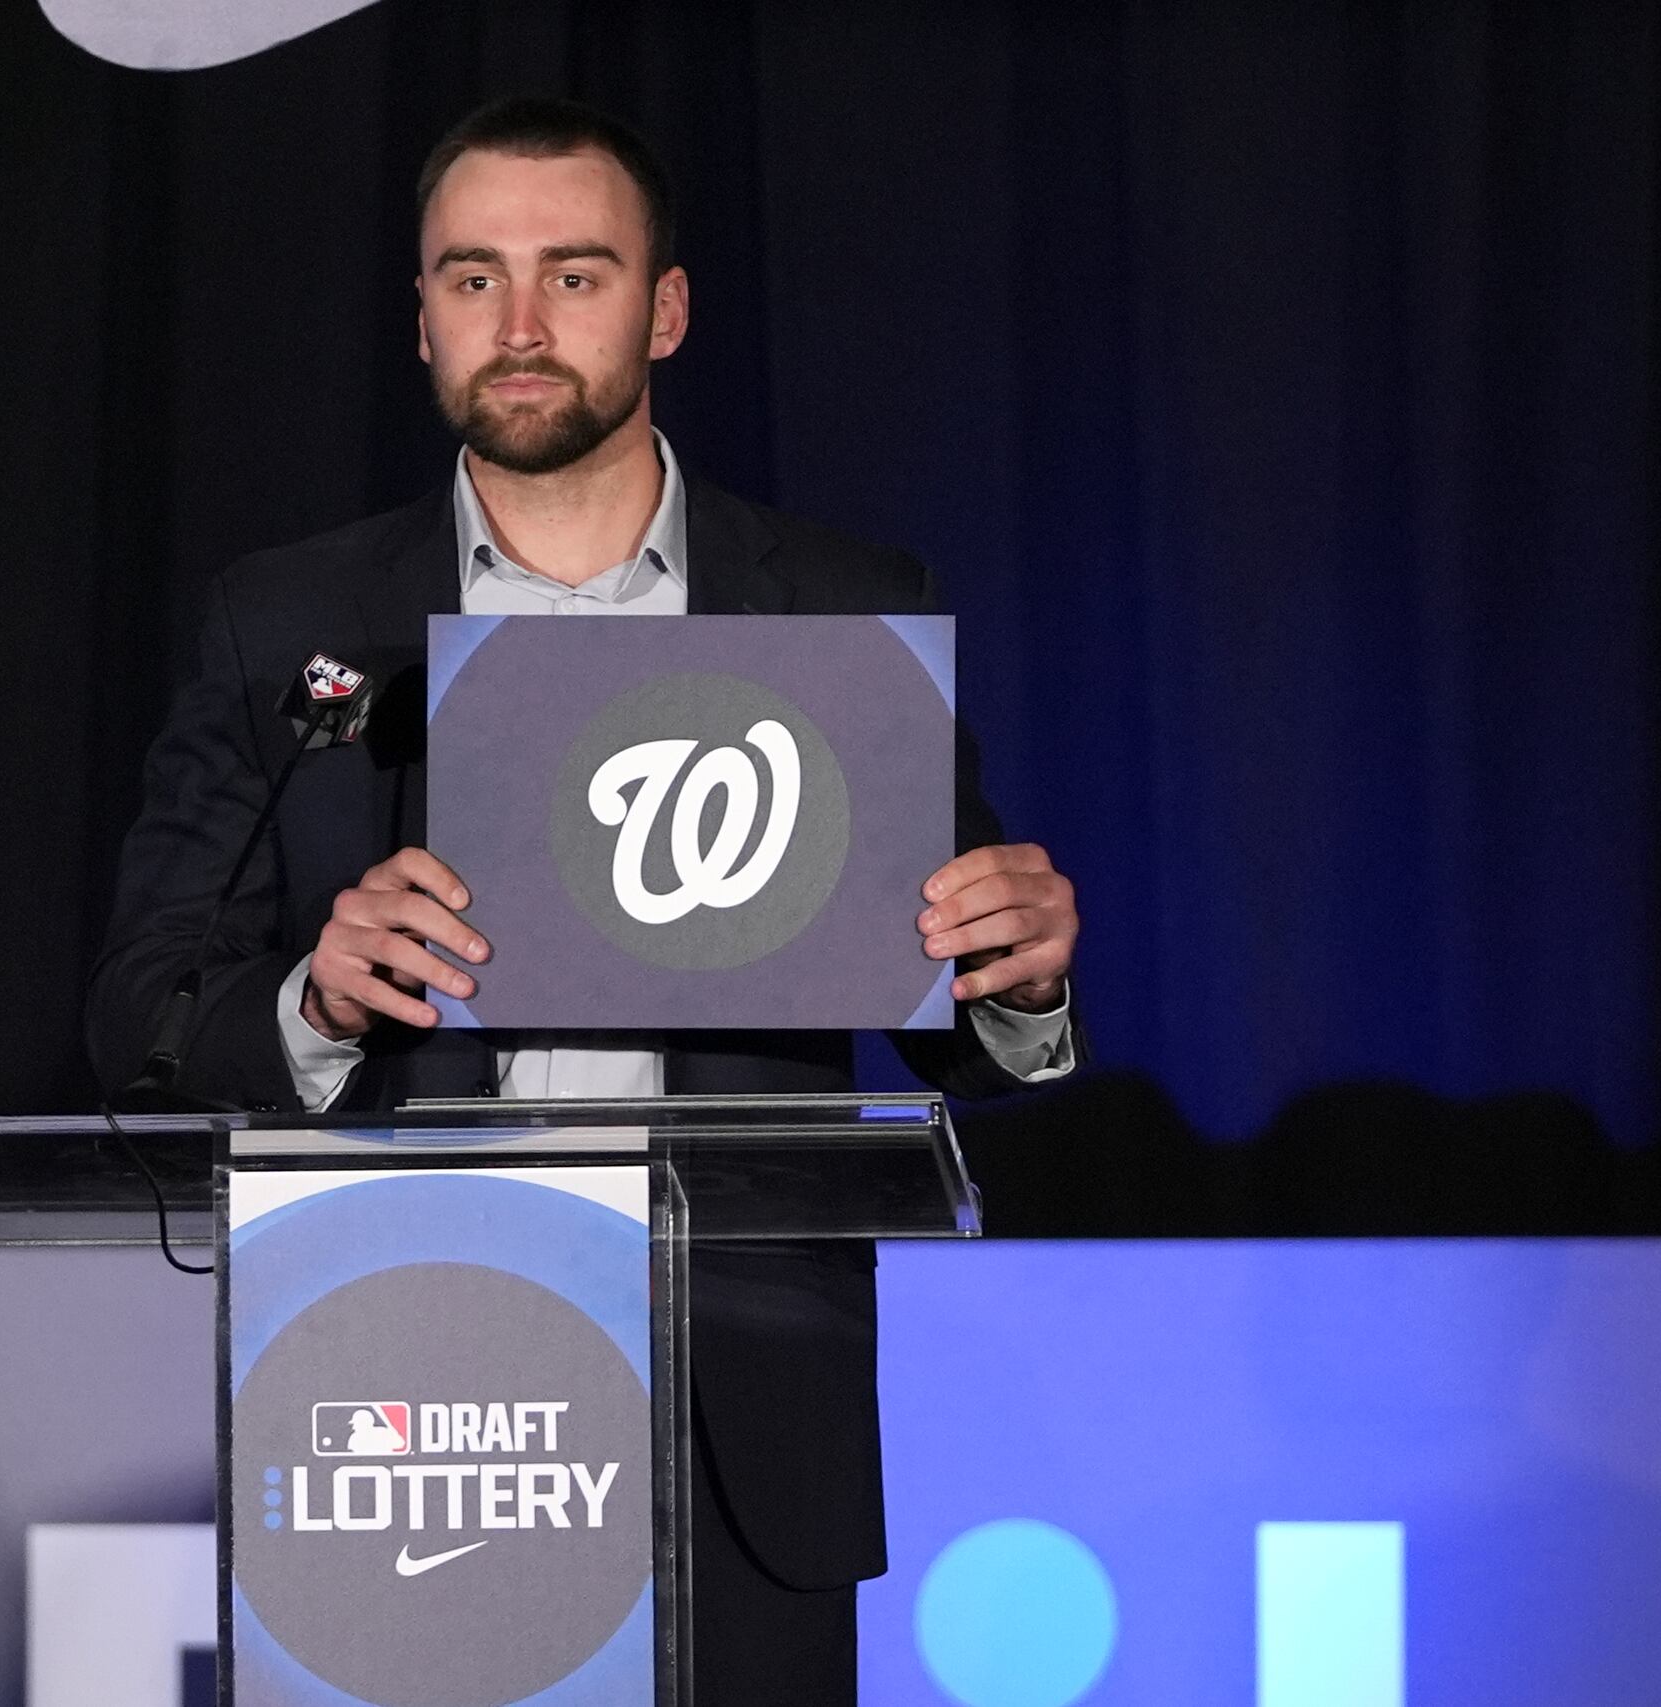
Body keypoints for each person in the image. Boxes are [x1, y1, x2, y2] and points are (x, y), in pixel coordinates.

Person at [88, 95, 1085, 1705]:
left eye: (575, 273)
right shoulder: (291, 624)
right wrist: (315, 1003)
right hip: (398, 1414)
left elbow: (950, 1016)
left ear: (665, 310)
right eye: (472, 277)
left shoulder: (841, 606)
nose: (521, 323)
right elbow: (144, 1008)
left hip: (735, 1408)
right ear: (421, 319)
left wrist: (1016, 985)